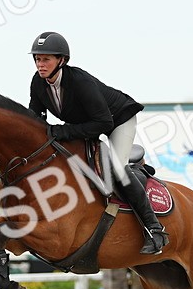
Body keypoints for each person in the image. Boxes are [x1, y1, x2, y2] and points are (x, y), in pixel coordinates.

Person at [26, 31, 168, 255]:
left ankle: (154, 229)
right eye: (37, 59)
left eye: (46, 59)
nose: (40, 64)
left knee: (118, 169)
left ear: (61, 60)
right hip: (88, 123)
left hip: (117, 120)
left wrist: (62, 130)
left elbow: (103, 123)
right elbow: (34, 118)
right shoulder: (38, 82)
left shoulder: (79, 81)